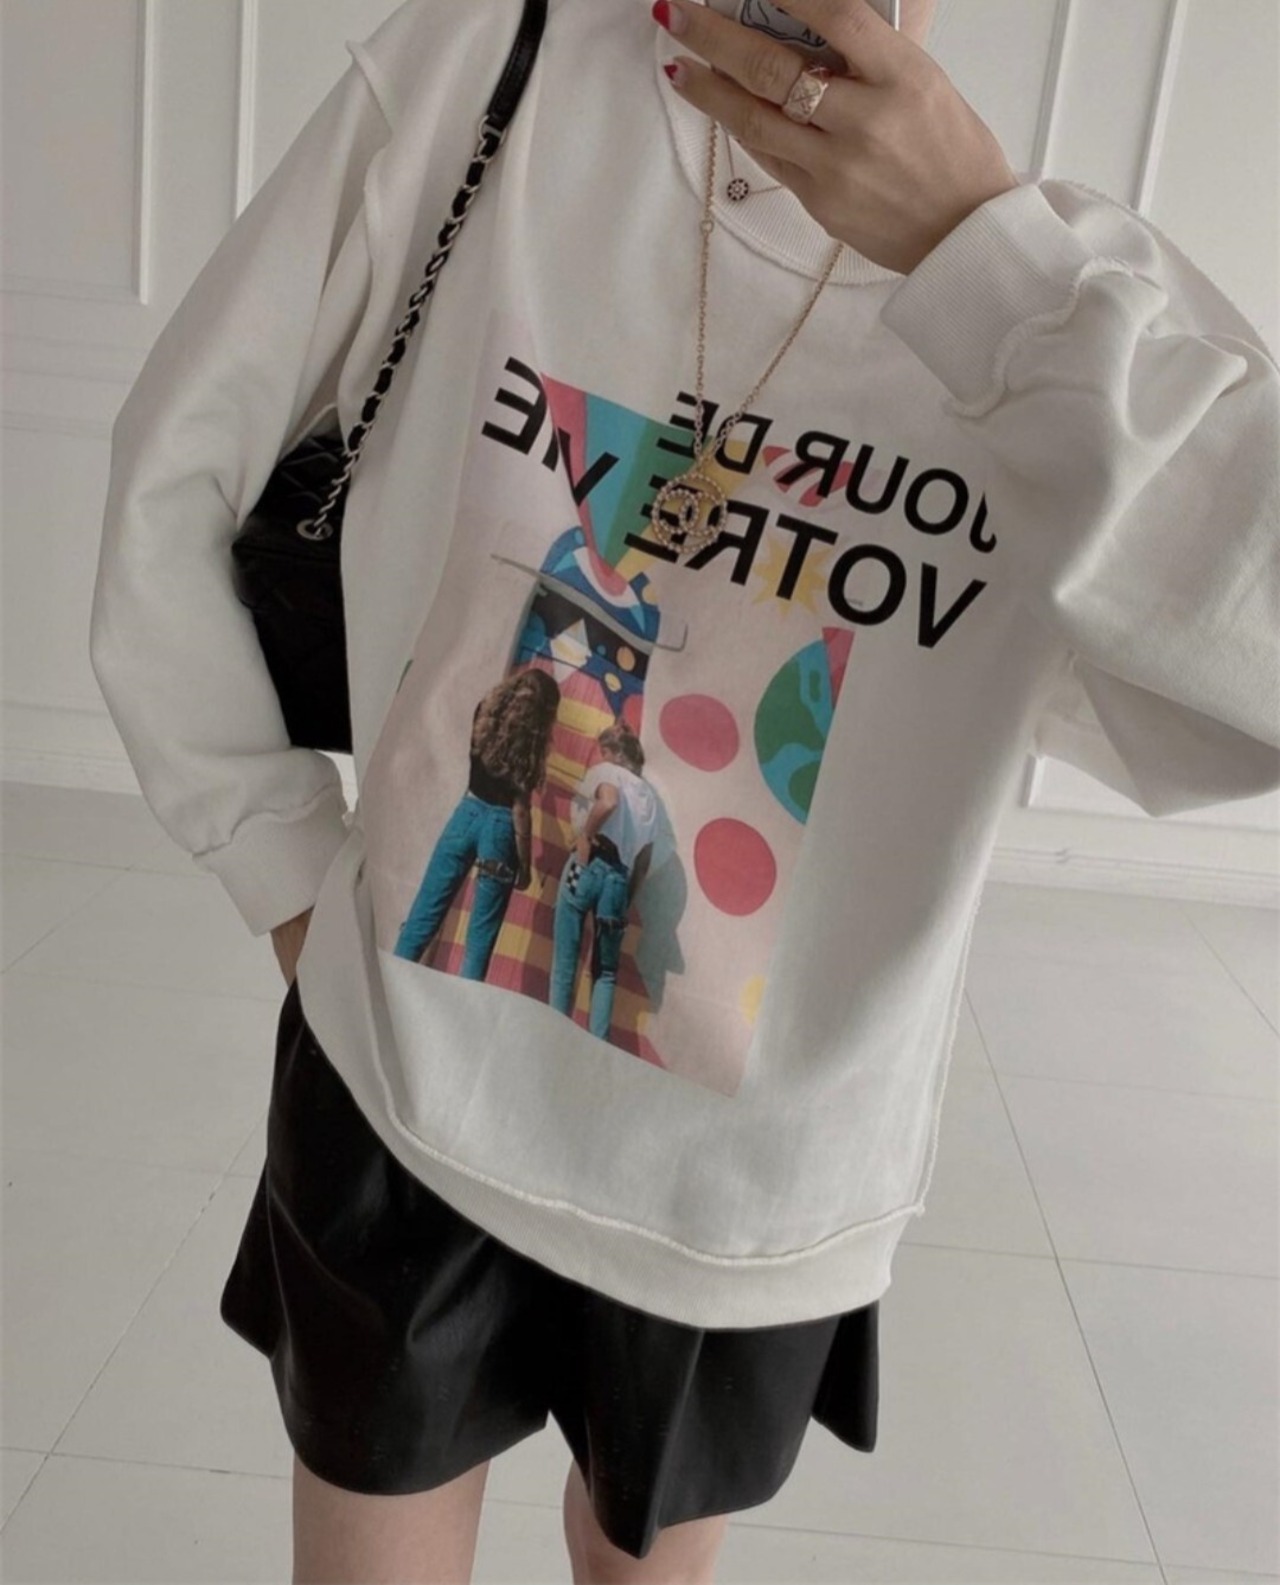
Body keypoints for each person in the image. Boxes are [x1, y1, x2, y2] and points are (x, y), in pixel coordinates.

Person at [88, 0, 1280, 1580]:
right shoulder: (490, 70)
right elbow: (173, 473)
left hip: (747, 1191)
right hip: (405, 1083)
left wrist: (979, 261)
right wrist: (284, 863)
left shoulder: (1075, 312)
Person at [393, 667, 561, 979]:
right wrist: (525, 867)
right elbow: (520, 810)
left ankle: (390, 984)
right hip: (501, 827)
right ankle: (463, 1003)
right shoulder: (530, 739)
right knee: (479, 942)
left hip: (467, 813)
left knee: (422, 918)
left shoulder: (485, 712)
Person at [551, 722, 658, 1039]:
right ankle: (597, 1044)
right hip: (619, 879)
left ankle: (553, 1034)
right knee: (606, 972)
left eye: (602, 752)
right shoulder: (649, 798)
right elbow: (643, 864)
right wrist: (625, 900)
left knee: (565, 959)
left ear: (612, 753)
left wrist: (586, 835)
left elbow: (608, 801)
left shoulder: (607, 772)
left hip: (588, 864)